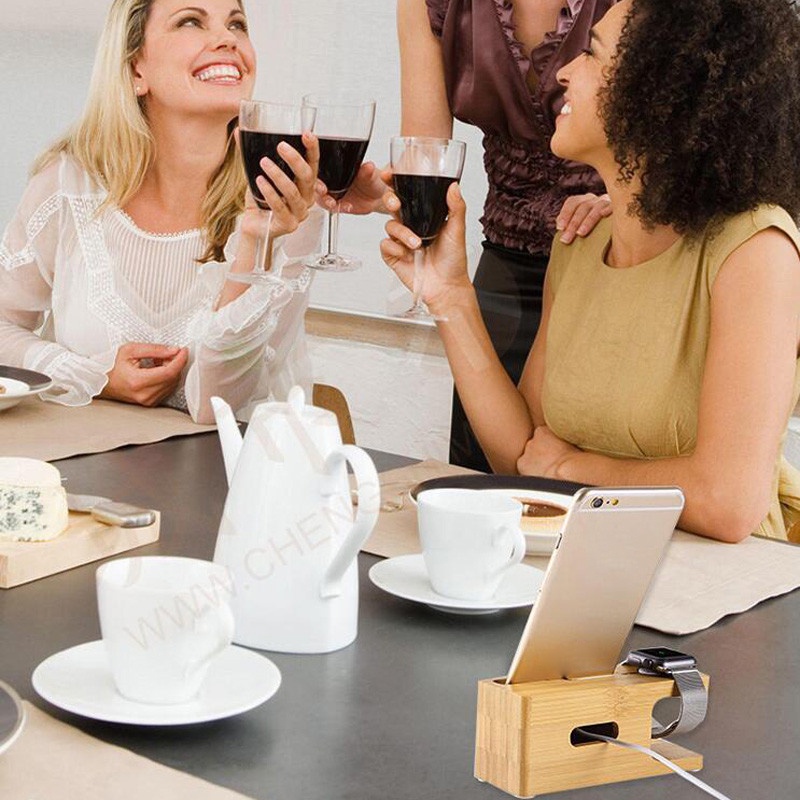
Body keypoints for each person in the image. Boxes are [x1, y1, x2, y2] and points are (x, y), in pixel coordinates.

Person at [380, 0, 800, 542]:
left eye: (592, 54)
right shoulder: (579, 242)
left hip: (721, 600)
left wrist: (573, 470)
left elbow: (727, 504)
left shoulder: (756, 251)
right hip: (588, 571)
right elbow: (520, 455)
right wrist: (450, 295)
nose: (563, 71)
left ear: (659, 89)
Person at [318, 0, 616, 471]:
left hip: (612, 261)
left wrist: (627, 205)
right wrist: (390, 197)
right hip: (504, 275)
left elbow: (682, 137)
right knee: (489, 472)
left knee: (593, 486)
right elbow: (426, 157)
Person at [0, 0, 322, 424]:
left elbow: (216, 404)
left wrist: (253, 241)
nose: (228, 39)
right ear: (137, 70)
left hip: (229, 478)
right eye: (191, 21)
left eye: (237, 24)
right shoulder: (68, 182)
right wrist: (95, 376)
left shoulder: (288, 200)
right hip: (77, 470)